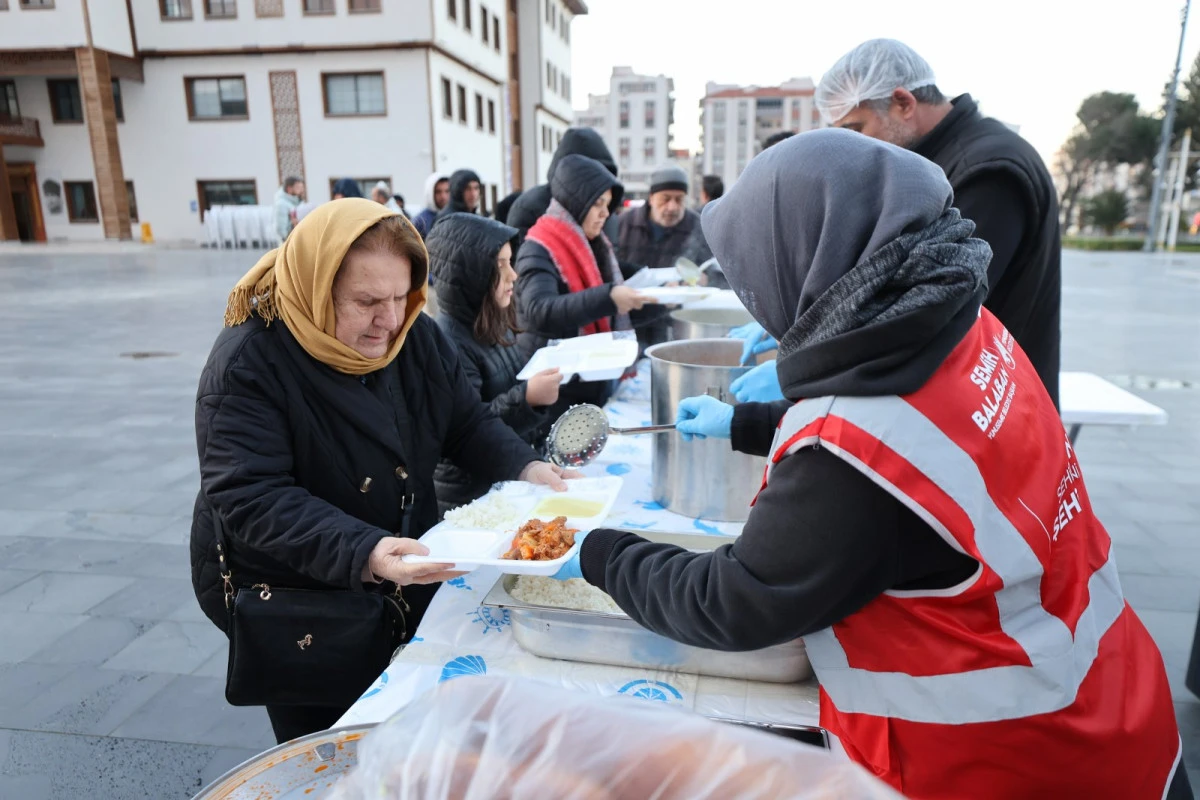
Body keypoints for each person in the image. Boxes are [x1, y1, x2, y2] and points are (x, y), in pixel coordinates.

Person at [549, 130, 1187, 800]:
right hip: (1114, 704)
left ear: (809, 257)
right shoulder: (961, 326)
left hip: (1003, 758)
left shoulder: (848, 461)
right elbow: (915, 445)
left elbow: (734, 601)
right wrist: (743, 423)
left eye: (759, 275)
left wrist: (602, 554)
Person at [191, 199, 576, 744]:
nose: (390, 320)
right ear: (316, 287)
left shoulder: (414, 336)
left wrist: (526, 465)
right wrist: (365, 550)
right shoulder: (250, 361)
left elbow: (464, 421)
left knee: (411, 723)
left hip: (396, 562)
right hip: (302, 593)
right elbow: (252, 496)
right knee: (331, 742)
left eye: (401, 297)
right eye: (367, 301)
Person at [816, 38, 1061, 407]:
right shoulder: (933, 162)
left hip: (996, 408)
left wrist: (817, 363)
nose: (856, 148)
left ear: (903, 103)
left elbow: (928, 305)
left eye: (857, 129)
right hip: (970, 397)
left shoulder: (986, 169)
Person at [426, 213, 562, 515]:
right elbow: (467, 426)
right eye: (500, 266)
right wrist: (527, 398)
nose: (513, 275)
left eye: (510, 262)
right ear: (471, 276)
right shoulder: (449, 342)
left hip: (502, 482)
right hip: (470, 499)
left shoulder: (490, 323)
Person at [515, 154, 646, 411]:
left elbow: (611, 313)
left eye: (607, 205)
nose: (605, 213)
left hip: (590, 377)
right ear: (578, 203)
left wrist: (661, 301)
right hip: (556, 387)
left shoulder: (594, 245)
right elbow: (538, 310)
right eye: (598, 204)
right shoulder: (538, 247)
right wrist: (608, 298)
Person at [616, 164, 713, 348]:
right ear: (651, 197)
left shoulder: (698, 227)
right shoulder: (624, 225)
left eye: (679, 199)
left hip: (676, 325)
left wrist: (703, 280)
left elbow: (714, 270)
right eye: (665, 199)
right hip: (630, 322)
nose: (672, 207)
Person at [507, 128, 622, 247]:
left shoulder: (606, 213)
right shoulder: (529, 207)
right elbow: (522, 255)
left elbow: (612, 255)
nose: (604, 213)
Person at [412, 173, 449, 239]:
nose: (443, 196)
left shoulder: (455, 215)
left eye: (447, 191)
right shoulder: (420, 221)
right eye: (438, 192)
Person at [274, 176, 305, 242]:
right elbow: (280, 228)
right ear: (289, 189)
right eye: (298, 188)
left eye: (302, 187)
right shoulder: (281, 204)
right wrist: (288, 241)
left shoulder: (297, 202)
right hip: (289, 242)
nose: (301, 190)